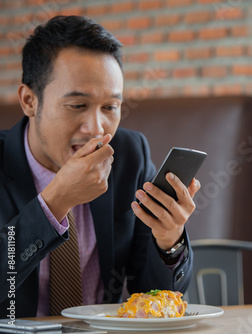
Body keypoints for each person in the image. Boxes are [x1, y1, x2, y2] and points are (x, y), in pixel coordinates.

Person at [0, 16, 201, 317]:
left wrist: (168, 241)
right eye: (78, 106)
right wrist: (55, 203)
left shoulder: (129, 157)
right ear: (30, 100)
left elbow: (151, 296)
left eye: (110, 107)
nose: (97, 128)